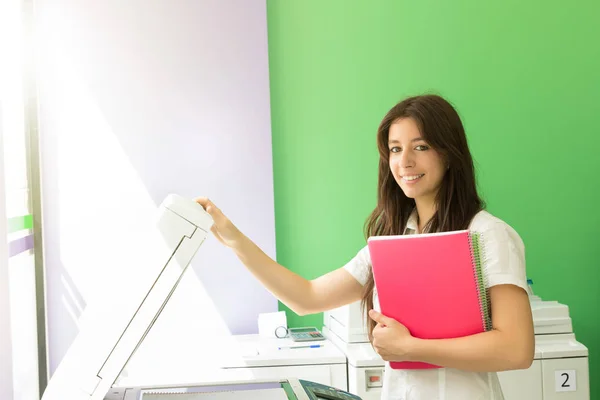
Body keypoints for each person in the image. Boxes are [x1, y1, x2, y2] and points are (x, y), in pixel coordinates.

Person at [195, 94, 534, 400]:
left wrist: (410, 347)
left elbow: (516, 348)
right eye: (396, 149)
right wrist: (235, 240)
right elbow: (307, 297)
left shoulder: (488, 235)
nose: (405, 162)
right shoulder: (393, 243)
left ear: (449, 154)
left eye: (421, 146)